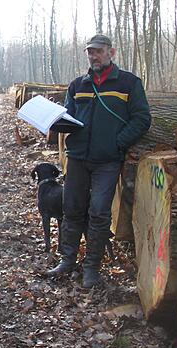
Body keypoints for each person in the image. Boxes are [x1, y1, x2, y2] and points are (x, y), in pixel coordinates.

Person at [47, 34, 151, 288]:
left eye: (98, 52)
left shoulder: (128, 83)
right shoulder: (77, 85)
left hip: (107, 161)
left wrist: (117, 142)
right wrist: (54, 122)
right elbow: (69, 117)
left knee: (100, 212)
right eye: (90, 52)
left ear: (111, 53)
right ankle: (67, 259)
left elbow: (142, 118)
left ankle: (92, 268)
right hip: (78, 158)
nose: (93, 56)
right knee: (71, 208)